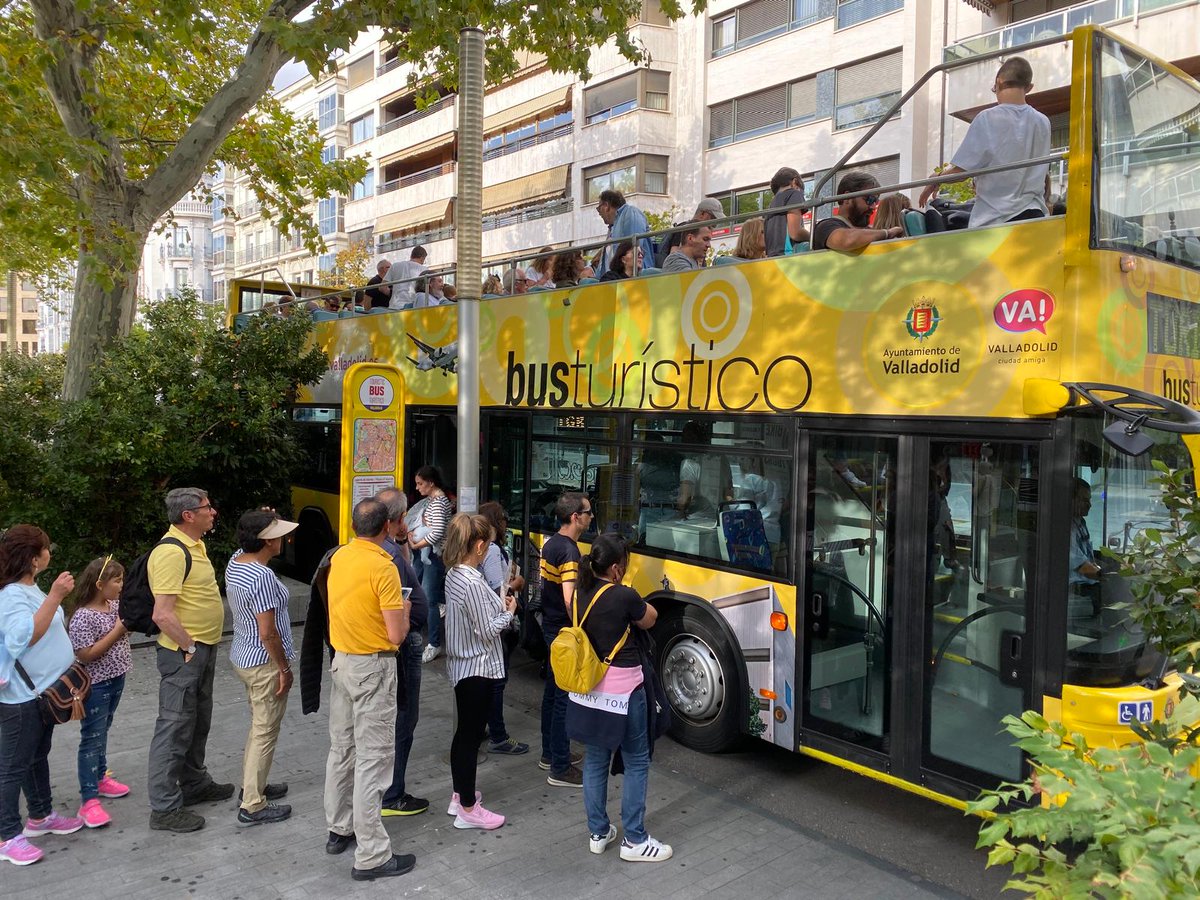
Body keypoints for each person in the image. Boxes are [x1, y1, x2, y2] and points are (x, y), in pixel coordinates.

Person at [565, 534, 672, 862]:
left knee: (596, 760)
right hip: (625, 693)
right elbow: (650, 618)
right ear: (615, 568)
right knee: (637, 759)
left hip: (588, 693)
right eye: (624, 565)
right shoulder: (623, 595)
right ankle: (635, 840)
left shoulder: (580, 592)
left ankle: (598, 832)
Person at [323, 498, 414, 881]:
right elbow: (396, 634)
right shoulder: (384, 566)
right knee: (373, 760)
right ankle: (373, 853)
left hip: (342, 663)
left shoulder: (340, 556)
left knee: (342, 749)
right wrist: (406, 615)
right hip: (374, 667)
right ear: (387, 526)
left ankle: (339, 827)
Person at [147, 487, 232, 833]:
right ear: (188, 515)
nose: (213, 512)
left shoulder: (196, 545)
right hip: (184, 653)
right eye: (207, 507)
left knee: (197, 722)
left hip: (201, 648)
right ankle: (164, 808)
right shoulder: (171, 552)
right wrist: (189, 646)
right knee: (174, 727)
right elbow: (162, 614)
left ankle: (194, 783)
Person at [0, 525, 83, 866]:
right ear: (34, 559)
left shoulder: (28, 588)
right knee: (11, 767)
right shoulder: (10, 596)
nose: (51, 552)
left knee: (37, 756)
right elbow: (23, 638)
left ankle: (40, 816)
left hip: (44, 693)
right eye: (46, 548)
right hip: (21, 698)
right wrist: (56, 596)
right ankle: (6, 835)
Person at [443, 514, 518, 830]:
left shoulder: (455, 574)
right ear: (477, 545)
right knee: (470, 735)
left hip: (464, 664)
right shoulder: (471, 581)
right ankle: (468, 808)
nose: (489, 549)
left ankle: (461, 796)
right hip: (477, 667)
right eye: (487, 544)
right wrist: (509, 612)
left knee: (466, 733)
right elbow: (487, 630)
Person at [226, 509, 299, 828]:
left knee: (259, 725)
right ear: (267, 541)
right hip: (263, 662)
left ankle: (253, 784)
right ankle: (252, 804)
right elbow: (268, 632)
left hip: (243, 654)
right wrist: (283, 668)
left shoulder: (236, 562)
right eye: (279, 533)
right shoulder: (263, 577)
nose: (285, 538)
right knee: (264, 730)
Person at [918, 56, 1050, 227]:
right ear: (1029, 87)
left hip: (996, 218)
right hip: (1035, 215)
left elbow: (961, 172)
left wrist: (935, 178)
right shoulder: (1042, 121)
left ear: (998, 82)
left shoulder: (988, 118)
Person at [375, 488, 432, 818]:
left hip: (397, 642)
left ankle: (388, 788)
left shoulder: (389, 548)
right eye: (405, 515)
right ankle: (393, 792)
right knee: (404, 716)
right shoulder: (390, 557)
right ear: (395, 519)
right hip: (403, 642)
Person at [65, 555, 132, 829]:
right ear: (99, 584)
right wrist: (118, 630)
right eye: (117, 581)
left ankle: (101, 777)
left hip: (117, 678)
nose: (121, 585)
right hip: (96, 684)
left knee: (104, 728)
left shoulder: (113, 605)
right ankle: (88, 800)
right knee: (92, 737)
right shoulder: (83, 616)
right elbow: (86, 654)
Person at [539, 492, 592, 787]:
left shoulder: (552, 543)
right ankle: (559, 766)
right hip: (562, 631)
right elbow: (570, 598)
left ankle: (550, 752)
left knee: (551, 694)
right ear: (575, 517)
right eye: (588, 513)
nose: (590, 517)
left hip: (549, 626)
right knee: (563, 699)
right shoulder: (570, 552)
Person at [477, 502, 528, 755]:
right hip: (498, 620)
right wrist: (517, 583)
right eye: (505, 517)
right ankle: (498, 735)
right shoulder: (493, 549)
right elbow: (500, 588)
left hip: (485, 620)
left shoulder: (479, 547)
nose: (507, 522)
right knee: (497, 680)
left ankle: (484, 726)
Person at [412, 465, 452, 663]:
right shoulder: (436, 500)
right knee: (423, 593)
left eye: (420, 484)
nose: (418, 488)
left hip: (433, 555)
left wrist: (416, 543)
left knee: (429, 599)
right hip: (427, 553)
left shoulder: (437, 502)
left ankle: (434, 643)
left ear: (431, 482)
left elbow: (436, 532)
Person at [811, 173, 904, 252]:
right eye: (869, 199)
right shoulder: (826, 226)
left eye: (876, 201)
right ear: (847, 197)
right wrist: (888, 233)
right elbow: (847, 240)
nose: (873, 206)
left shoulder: (869, 231)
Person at [596, 190, 654, 273]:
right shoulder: (611, 229)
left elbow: (634, 247)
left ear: (606, 205)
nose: (599, 213)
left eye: (599, 209)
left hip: (631, 277)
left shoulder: (630, 212)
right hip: (613, 279)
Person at [655, 198, 724, 266]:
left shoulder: (692, 229)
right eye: (713, 218)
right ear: (702, 213)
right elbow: (675, 255)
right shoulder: (685, 228)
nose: (714, 224)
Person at [1069, 478, 1102, 618]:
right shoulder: (1064, 527)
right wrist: (1105, 576)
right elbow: (1080, 565)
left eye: (1089, 500)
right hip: (1076, 588)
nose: (1089, 505)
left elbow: (1088, 556)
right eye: (1084, 500)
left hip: (1087, 582)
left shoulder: (1080, 522)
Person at [764, 167, 810, 257]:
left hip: (772, 256)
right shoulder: (794, 193)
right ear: (794, 182)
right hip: (790, 252)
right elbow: (795, 233)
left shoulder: (771, 205)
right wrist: (812, 236)